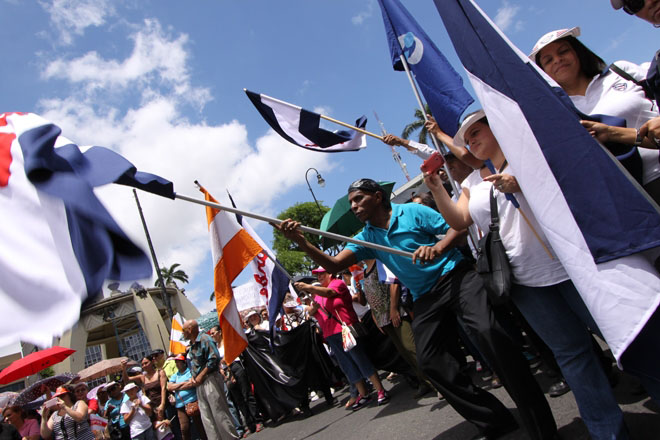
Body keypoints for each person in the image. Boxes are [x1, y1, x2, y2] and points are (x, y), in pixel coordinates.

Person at [277, 179, 556, 440]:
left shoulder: (412, 212)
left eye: (359, 199)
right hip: (425, 297)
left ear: (377, 197)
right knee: (431, 364)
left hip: (456, 276)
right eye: (351, 202)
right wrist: (302, 242)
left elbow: (458, 227)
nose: (354, 206)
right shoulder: (365, 238)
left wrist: (438, 247)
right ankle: (495, 420)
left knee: (490, 335)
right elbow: (334, 265)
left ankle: (541, 425)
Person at [425, 110, 631, 440]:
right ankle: (608, 431)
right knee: (572, 356)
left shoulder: (528, 154)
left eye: (478, 132)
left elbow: (569, 181)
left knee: (625, 334)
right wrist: (437, 189)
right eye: (467, 139)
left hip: (573, 267)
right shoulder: (471, 182)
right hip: (525, 283)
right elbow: (460, 221)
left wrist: (522, 184)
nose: (472, 141)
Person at [530, 26, 660, 202]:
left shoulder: (621, 72)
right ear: (543, 72)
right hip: (634, 195)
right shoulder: (558, 114)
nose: (558, 60)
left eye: (563, 51)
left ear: (578, 52)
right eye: (548, 60)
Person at [294, 267, 390, 411]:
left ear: (330, 273)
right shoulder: (318, 295)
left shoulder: (337, 284)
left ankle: (380, 389)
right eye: (317, 275)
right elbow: (313, 311)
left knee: (360, 359)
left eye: (322, 274)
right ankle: (363, 393)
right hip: (330, 334)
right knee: (347, 365)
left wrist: (309, 288)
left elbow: (330, 293)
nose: (319, 277)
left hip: (345, 329)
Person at [181, 319, 238, 440]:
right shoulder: (192, 346)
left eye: (184, 330)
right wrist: (194, 377)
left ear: (190, 329)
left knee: (219, 413)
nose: (183, 333)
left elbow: (214, 358)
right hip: (200, 384)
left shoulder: (205, 339)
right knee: (207, 417)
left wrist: (201, 375)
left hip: (210, 379)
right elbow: (195, 365)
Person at [167, 354, 207, 440]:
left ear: (184, 362)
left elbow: (192, 383)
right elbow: (169, 387)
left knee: (200, 425)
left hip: (193, 401)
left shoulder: (190, 372)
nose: (177, 364)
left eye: (179, 362)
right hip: (180, 405)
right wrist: (184, 383)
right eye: (176, 362)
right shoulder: (175, 375)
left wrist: (177, 386)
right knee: (184, 428)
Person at [122, 356, 167, 421]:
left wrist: (162, 404)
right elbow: (126, 380)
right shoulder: (142, 377)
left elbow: (163, 389)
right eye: (142, 364)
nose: (144, 366)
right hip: (152, 406)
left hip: (163, 403)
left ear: (152, 362)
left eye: (146, 363)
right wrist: (124, 369)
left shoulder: (160, 372)